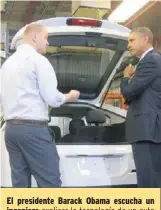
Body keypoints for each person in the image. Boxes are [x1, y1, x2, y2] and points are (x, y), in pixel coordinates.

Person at [0, 23, 80, 188]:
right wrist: (70, 96)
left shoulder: (7, 64)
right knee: (50, 183)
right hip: (33, 131)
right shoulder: (38, 61)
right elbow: (52, 98)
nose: (48, 43)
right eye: (46, 38)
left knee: (20, 184)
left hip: (12, 131)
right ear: (34, 37)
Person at [120, 27, 161, 188]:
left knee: (147, 180)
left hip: (147, 131)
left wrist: (125, 77)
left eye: (132, 40)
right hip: (149, 130)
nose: (128, 45)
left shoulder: (150, 60)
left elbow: (129, 92)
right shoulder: (150, 60)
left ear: (145, 39)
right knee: (152, 178)